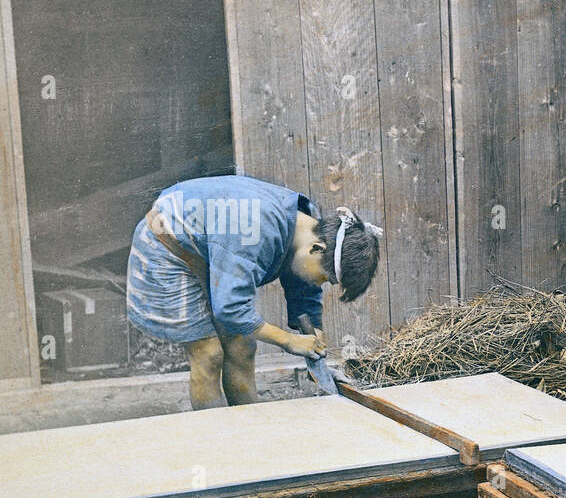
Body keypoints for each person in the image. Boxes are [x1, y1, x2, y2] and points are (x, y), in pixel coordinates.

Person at [126, 174, 382, 410]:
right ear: (316, 249)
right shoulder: (254, 228)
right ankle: (215, 444)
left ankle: (249, 427)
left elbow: (303, 286)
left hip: (211, 248)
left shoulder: (310, 224)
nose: (321, 283)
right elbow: (230, 310)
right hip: (166, 243)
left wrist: (313, 329)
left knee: (242, 346)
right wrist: (290, 340)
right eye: (325, 278)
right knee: (209, 353)